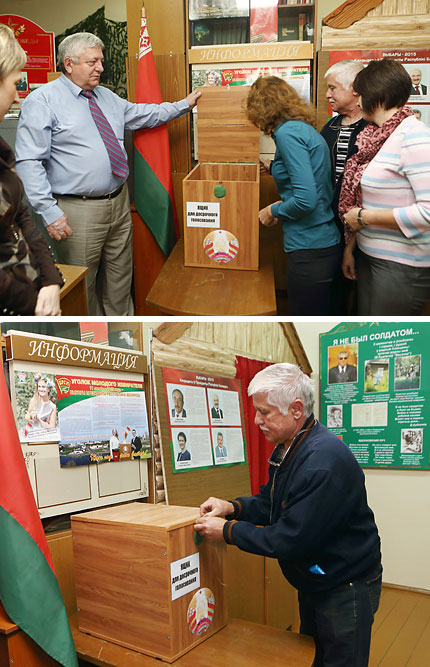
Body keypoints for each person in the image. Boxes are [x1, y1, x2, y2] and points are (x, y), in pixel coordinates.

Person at [194, 363, 382, 667]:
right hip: (315, 581)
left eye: (265, 412)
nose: (257, 420)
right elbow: (274, 501)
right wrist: (232, 507)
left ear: (296, 409)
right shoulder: (292, 445)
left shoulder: (322, 461)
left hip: (344, 585)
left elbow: (289, 539)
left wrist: (226, 531)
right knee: (312, 654)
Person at [15, 32, 201, 316]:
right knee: (83, 286)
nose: (100, 67)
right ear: (69, 64)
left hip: (118, 202)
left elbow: (143, 114)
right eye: (93, 61)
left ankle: (124, 335)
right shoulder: (43, 101)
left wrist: (183, 106)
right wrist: (48, 211)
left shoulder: (106, 97)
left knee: (119, 280)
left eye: (100, 61)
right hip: (77, 210)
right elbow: (29, 162)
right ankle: (92, 342)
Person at [0, 14, 63, 316]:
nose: (18, 95)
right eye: (16, 83)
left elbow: (21, 216)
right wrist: (34, 306)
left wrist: (50, 280)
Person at [339, 59, 430, 315]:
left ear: (375, 96)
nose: (357, 102)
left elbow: (428, 212)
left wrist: (363, 218)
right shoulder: (379, 136)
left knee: (384, 344)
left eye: (360, 95)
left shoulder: (413, 136)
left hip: (401, 265)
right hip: (371, 257)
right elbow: (372, 198)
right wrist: (352, 247)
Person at [246, 76, 341, 315]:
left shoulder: (287, 134)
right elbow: (310, 174)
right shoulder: (298, 128)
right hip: (322, 243)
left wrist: (273, 210)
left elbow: (305, 199)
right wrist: (273, 166)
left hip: (310, 247)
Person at [321, 60, 367, 315]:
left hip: (364, 227)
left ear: (355, 90)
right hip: (331, 226)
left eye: (333, 88)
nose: (328, 94)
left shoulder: (373, 129)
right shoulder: (331, 126)